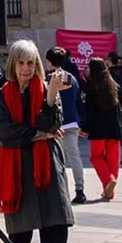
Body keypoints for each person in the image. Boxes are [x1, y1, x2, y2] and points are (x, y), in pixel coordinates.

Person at [0, 39, 79, 243]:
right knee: (19, 235)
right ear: (12, 65)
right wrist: (38, 134)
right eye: (21, 63)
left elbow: (52, 123)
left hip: (48, 170)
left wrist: (51, 96)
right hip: (17, 171)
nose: (26, 68)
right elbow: (7, 135)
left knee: (55, 231)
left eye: (31, 62)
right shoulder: (0, 97)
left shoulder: (47, 90)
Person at [45, 47, 86, 204]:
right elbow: (78, 102)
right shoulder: (72, 78)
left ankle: (61, 192)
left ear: (49, 61)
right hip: (72, 122)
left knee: (57, 160)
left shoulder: (48, 79)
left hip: (55, 126)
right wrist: (81, 122)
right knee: (74, 156)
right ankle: (80, 189)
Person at [80, 58, 122, 201]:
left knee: (96, 157)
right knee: (113, 159)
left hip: (98, 129)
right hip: (114, 128)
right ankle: (110, 192)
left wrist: (84, 128)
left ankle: (108, 180)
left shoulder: (91, 88)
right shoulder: (113, 86)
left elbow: (89, 112)